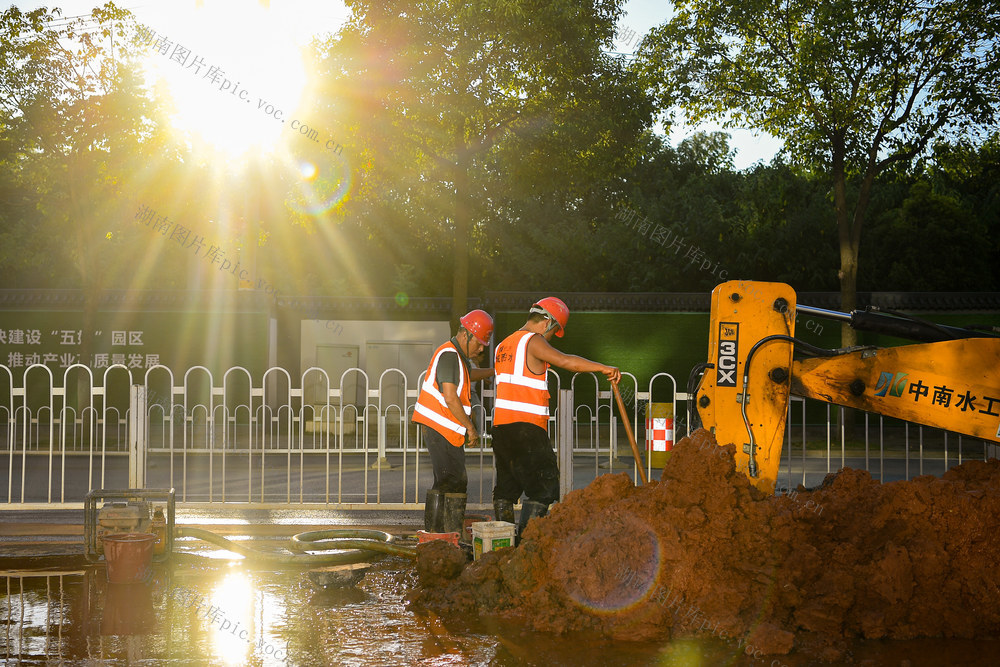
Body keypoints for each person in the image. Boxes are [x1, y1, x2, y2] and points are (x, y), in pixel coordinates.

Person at [491, 297, 620, 540]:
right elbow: (565, 361)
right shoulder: (532, 341)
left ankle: (503, 546)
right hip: (527, 429)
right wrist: (602, 368)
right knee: (544, 488)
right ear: (547, 322)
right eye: (554, 331)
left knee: (506, 490)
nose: (551, 338)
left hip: (502, 427)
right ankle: (527, 549)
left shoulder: (503, 345)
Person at [413, 309, 495, 535]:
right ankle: (444, 536)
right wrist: (470, 427)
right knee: (453, 481)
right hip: (440, 427)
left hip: (442, 428)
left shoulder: (456, 357)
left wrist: (494, 372)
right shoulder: (449, 355)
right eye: (479, 343)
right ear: (466, 335)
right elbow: (450, 395)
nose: (480, 349)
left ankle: (440, 535)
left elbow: (469, 374)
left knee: (448, 481)